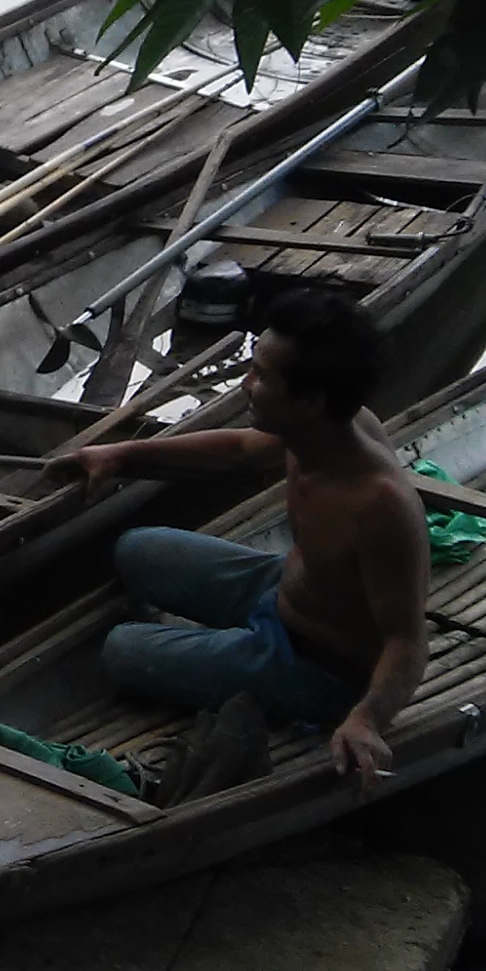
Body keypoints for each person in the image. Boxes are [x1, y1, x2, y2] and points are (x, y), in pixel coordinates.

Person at [43, 287, 429, 793]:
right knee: (136, 548)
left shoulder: (379, 507)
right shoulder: (332, 425)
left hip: (313, 663)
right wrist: (122, 455)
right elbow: (240, 451)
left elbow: (407, 639)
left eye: (262, 377)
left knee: (123, 651)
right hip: (281, 589)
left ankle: (251, 668)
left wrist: (367, 718)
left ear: (311, 400)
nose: (245, 385)